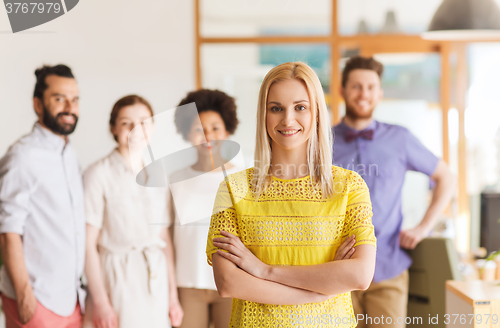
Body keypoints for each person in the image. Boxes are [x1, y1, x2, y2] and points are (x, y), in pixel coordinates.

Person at [205, 62, 377, 328]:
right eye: (276, 108)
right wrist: (319, 289)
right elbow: (228, 282)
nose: (287, 119)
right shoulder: (233, 189)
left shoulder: (349, 186)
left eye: (300, 107)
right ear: (264, 114)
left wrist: (263, 270)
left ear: (317, 113)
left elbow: (360, 274)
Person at [333, 56, 456, 328]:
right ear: (342, 90)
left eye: (370, 87)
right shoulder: (321, 142)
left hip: (387, 269)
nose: (363, 94)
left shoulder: (400, 139)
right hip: (335, 270)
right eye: (356, 86)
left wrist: (424, 227)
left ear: (379, 93)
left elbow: (446, 177)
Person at [83, 95, 183, 328]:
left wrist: (173, 296)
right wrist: (101, 302)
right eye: (126, 122)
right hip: (117, 279)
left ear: (153, 126)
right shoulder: (98, 173)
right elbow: (88, 244)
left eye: (144, 121)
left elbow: (163, 239)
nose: (136, 129)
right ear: (113, 128)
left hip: (155, 280)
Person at [0, 64, 85, 328]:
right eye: (59, 99)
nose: (69, 107)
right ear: (38, 104)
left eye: (74, 100)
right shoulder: (22, 156)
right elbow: (7, 231)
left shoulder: (70, 154)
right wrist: (25, 295)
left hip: (71, 300)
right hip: (36, 300)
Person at [170, 89, 242, 328]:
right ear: (187, 134)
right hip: (189, 281)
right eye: (199, 129)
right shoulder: (176, 178)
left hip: (233, 280)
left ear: (227, 131)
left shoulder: (245, 178)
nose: (208, 136)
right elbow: (168, 235)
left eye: (215, 128)